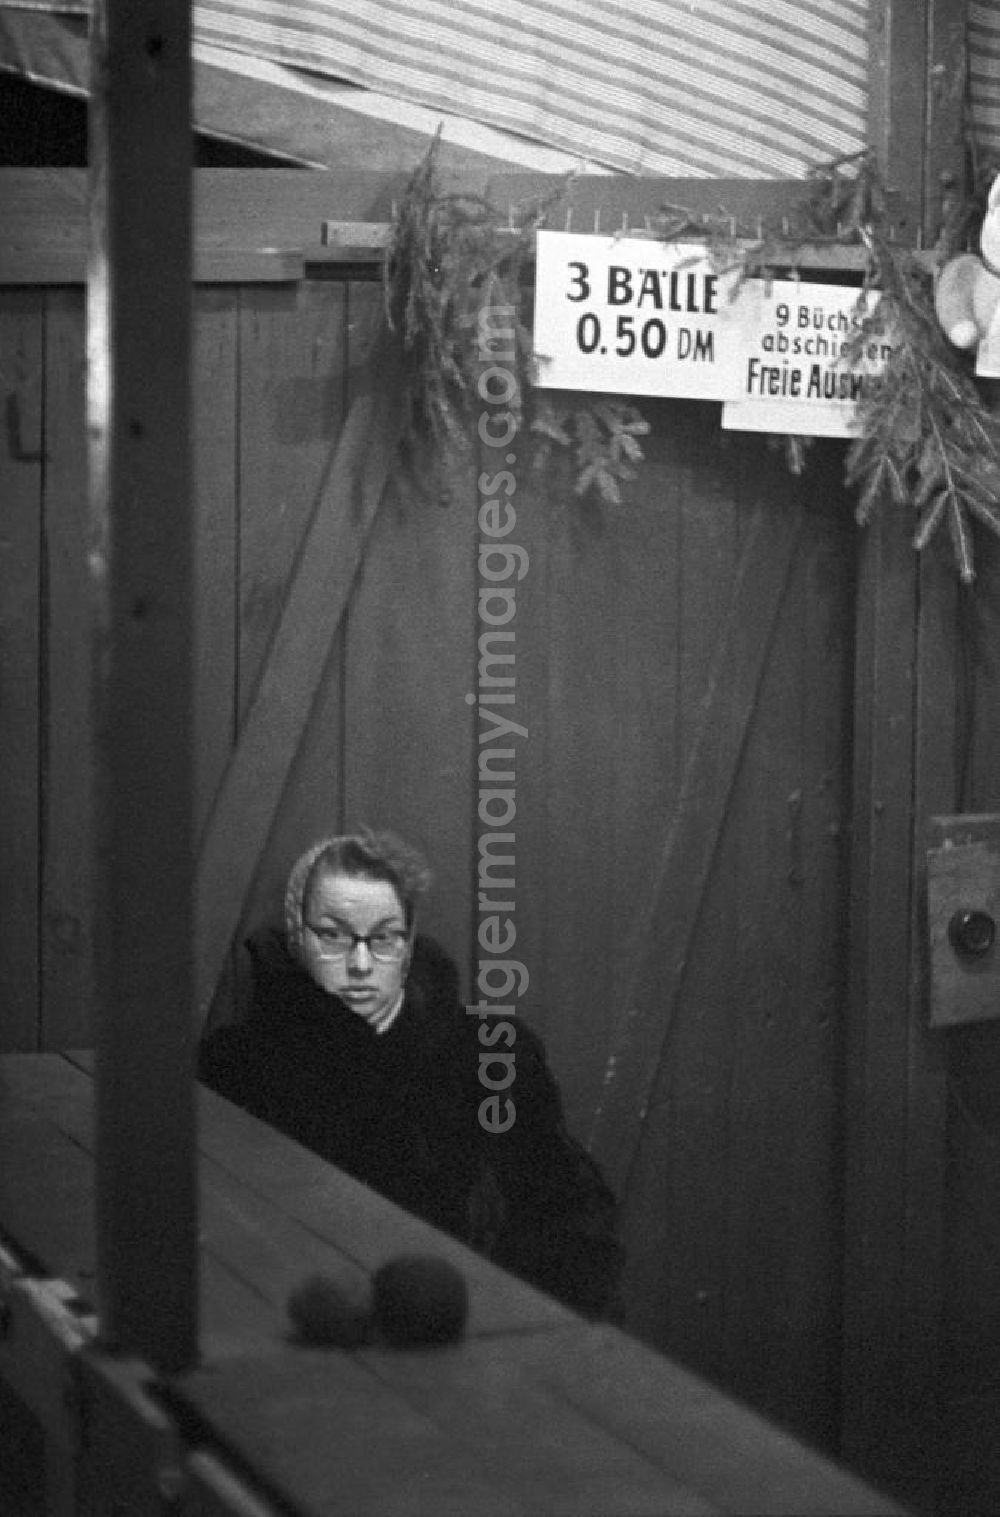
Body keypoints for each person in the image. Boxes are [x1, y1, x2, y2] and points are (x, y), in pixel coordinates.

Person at [198, 829, 622, 1317]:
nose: (360, 964)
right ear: (297, 936)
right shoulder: (237, 1070)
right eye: (333, 935)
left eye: (383, 938)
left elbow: (569, 1221)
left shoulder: (490, 1058)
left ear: (409, 939)